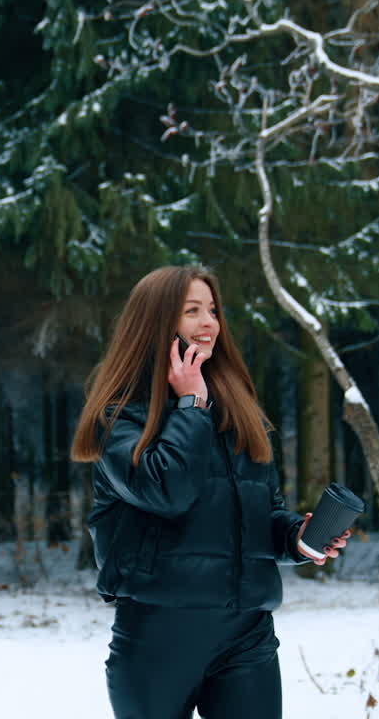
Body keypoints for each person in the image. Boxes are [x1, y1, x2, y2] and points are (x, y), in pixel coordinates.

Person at [70, 265, 351, 719]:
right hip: (159, 637)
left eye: (214, 310)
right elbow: (166, 492)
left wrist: (297, 537)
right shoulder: (118, 416)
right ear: (157, 323)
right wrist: (190, 404)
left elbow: (262, 512)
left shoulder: (240, 410)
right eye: (192, 311)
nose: (210, 323)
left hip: (246, 633)